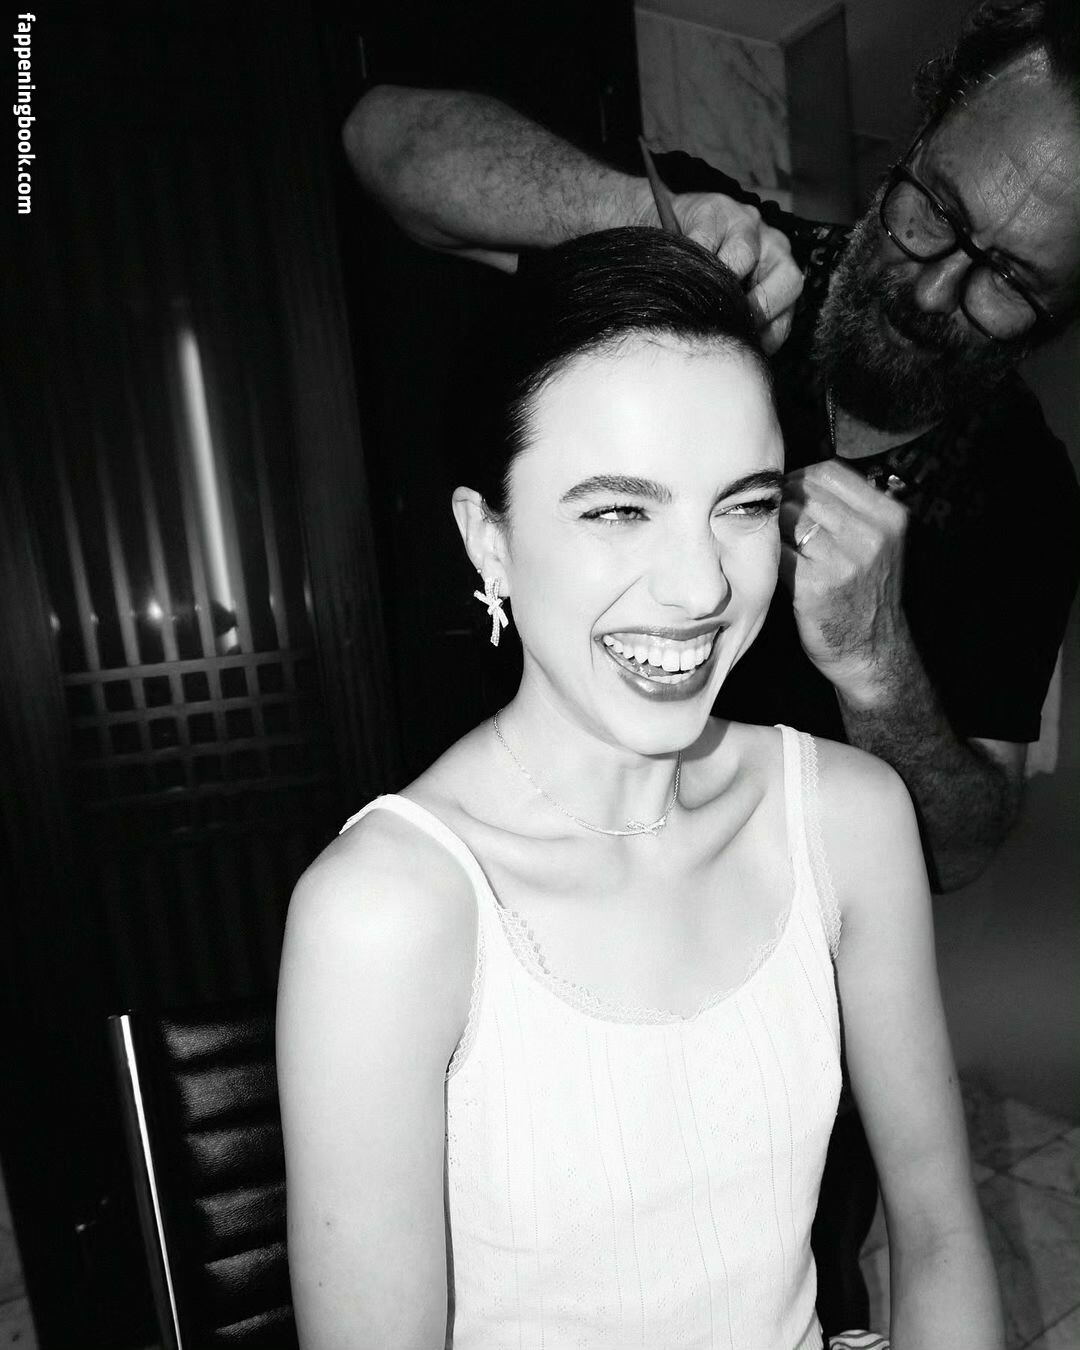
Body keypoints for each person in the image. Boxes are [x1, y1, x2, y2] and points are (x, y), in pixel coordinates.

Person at [277, 227, 1003, 1350]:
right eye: (619, 509)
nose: (702, 583)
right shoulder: (387, 913)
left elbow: (941, 1233)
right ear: (488, 541)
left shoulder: (848, 819)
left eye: (744, 505)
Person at [342, 0, 1080, 896]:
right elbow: (382, 141)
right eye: (934, 211)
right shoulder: (729, 250)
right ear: (913, 148)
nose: (932, 292)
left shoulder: (1027, 493)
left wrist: (879, 666)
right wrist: (626, 213)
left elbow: (958, 852)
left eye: (1009, 279)